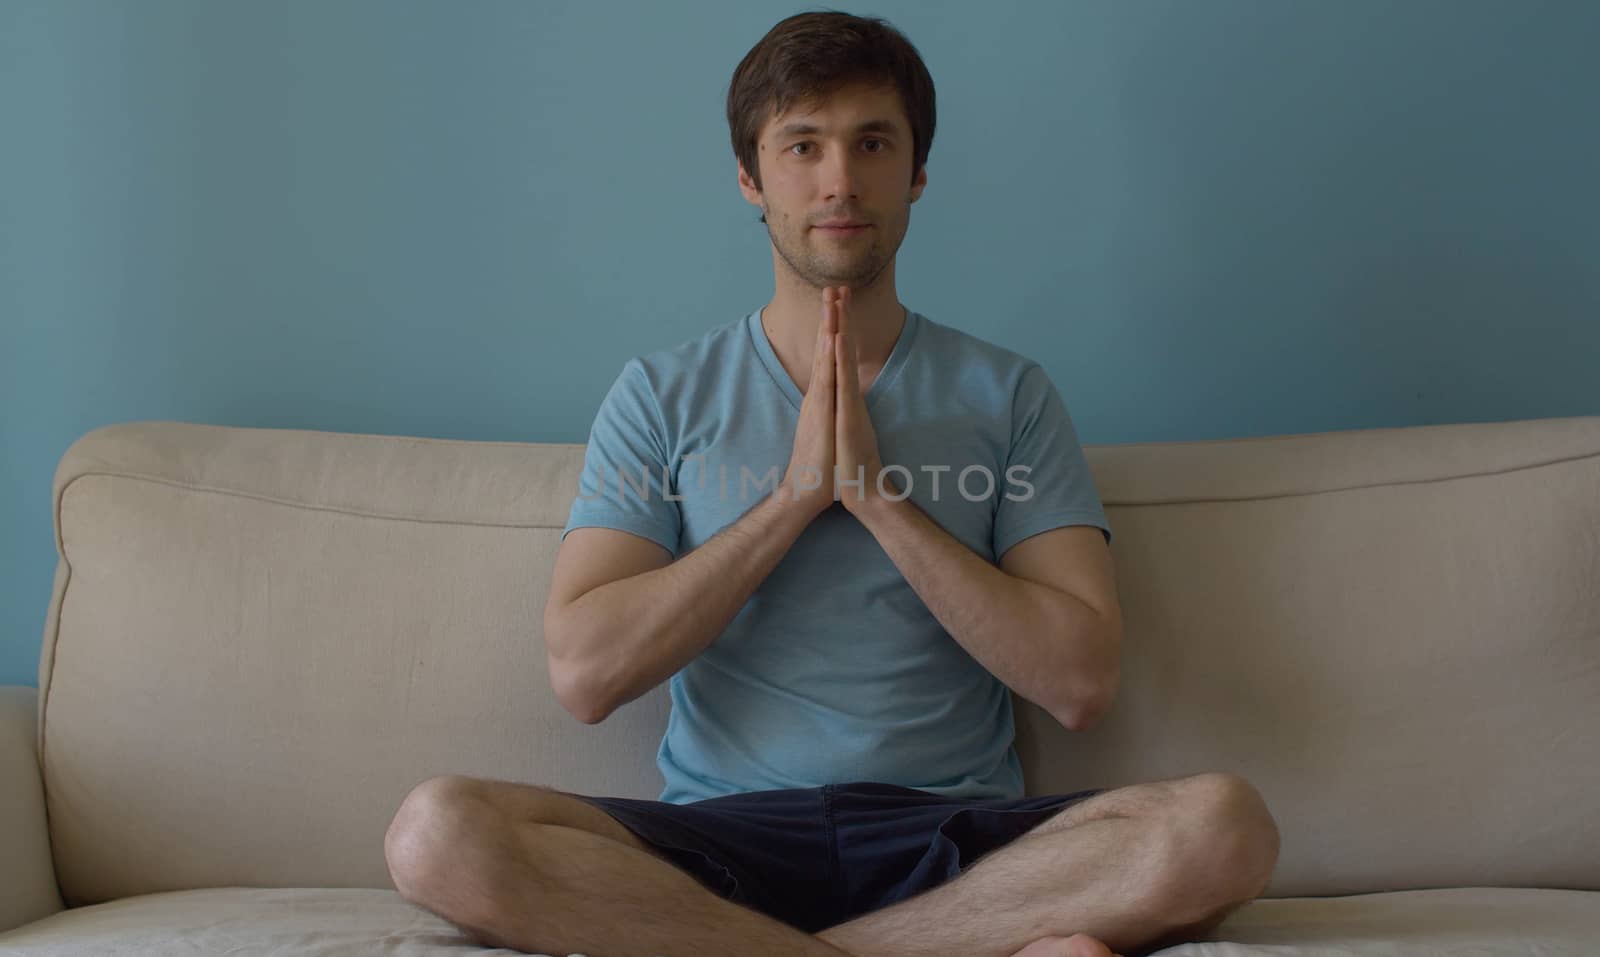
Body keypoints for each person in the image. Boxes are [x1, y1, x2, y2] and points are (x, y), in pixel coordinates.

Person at [384, 11, 1279, 957]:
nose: (840, 179)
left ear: (917, 173)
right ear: (750, 176)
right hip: (719, 843)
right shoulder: (660, 394)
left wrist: (882, 504)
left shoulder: (1008, 393)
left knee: (1224, 826)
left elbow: (1081, 680)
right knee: (436, 832)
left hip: (956, 842)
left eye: (872, 143)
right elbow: (586, 673)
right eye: (802, 145)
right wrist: (794, 499)